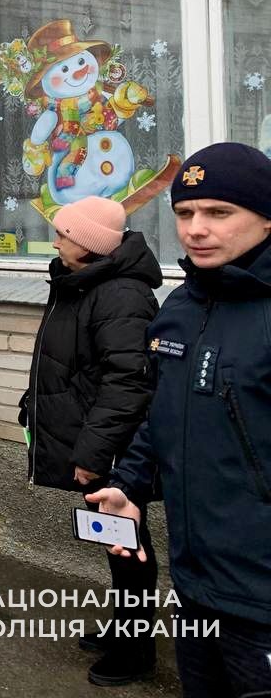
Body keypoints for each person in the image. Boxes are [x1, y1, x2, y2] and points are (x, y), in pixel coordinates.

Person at [89, 143, 271, 698]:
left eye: (219, 212)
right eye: (185, 213)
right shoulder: (180, 308)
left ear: (266, 217)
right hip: (194, 588)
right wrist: (129, 485)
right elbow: (165, 411)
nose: (196, 229)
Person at [19, 195, 162, 687]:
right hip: (91, 438)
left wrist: (93, 454)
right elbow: (69, 361)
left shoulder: (120, 294)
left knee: (127, 545)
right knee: (115, 543)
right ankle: (124, 628)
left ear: (91, 243)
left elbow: (128, 384)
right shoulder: (80, 281)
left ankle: (136, 651)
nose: (55, 241)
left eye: (64, 234)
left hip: (111, 448)